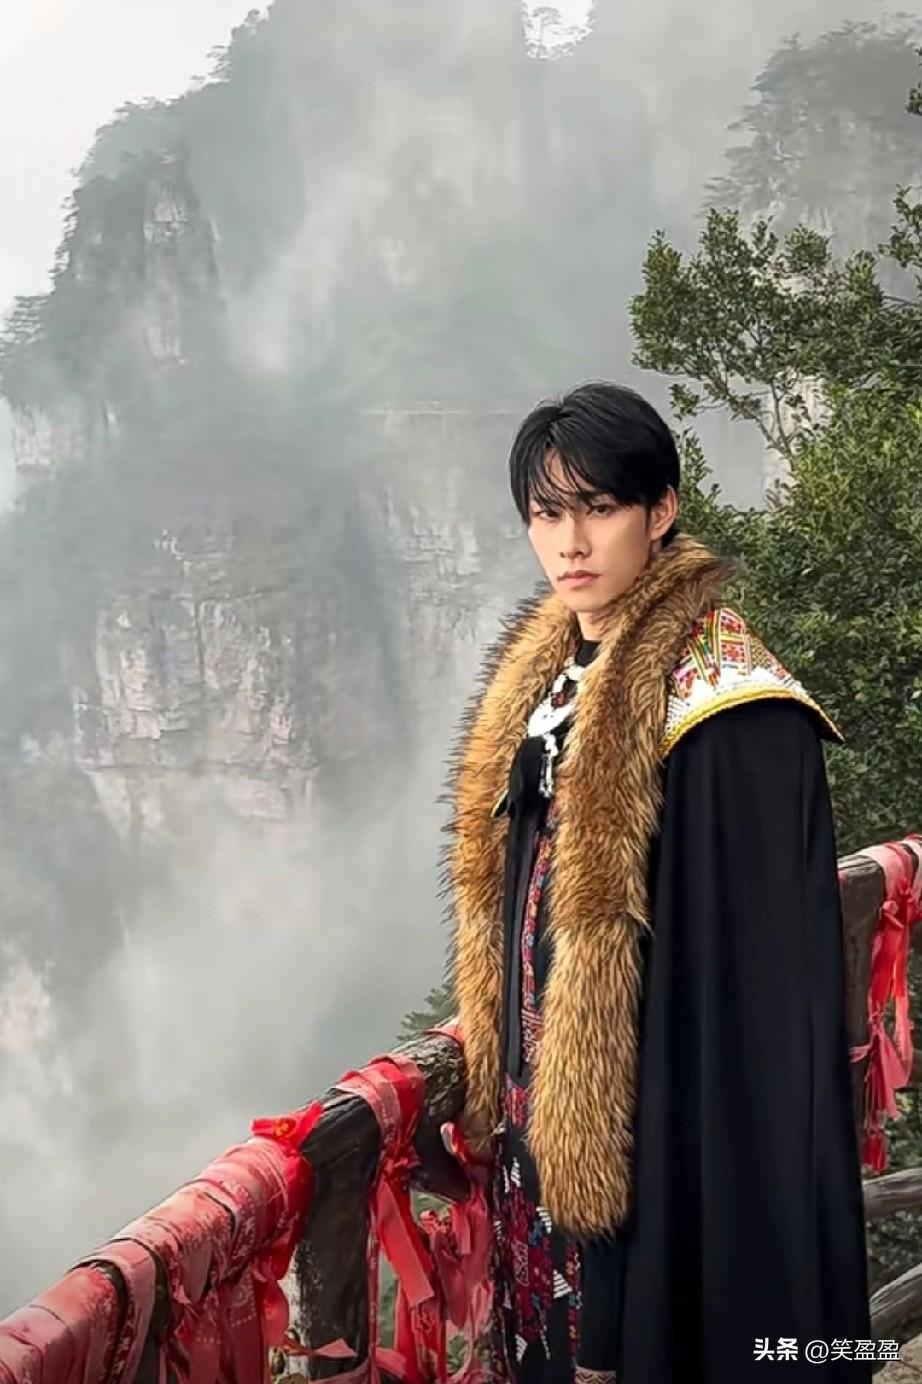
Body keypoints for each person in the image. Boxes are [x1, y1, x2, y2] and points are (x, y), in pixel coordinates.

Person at [441, 382, 872, 1382]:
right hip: (541, 1109)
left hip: (665, 1124)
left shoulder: (729, 703)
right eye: (547, 514)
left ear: (661, 508)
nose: (570, 543)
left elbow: (751, 1003)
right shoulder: (556, 678)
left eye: (599, 508)